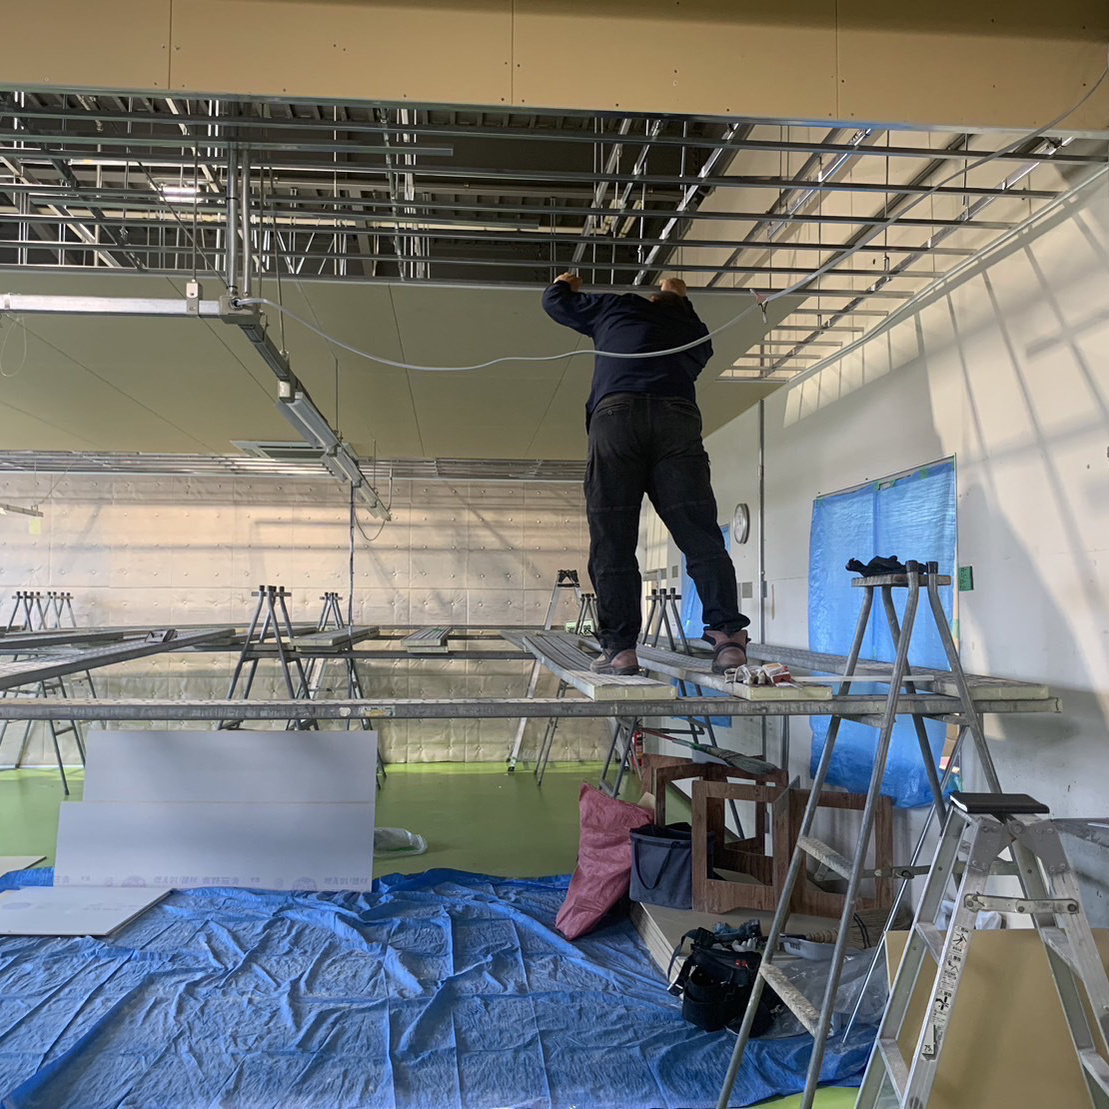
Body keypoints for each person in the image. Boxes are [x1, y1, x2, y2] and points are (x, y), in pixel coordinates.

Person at [541, 272, 750, 676]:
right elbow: (694, 340)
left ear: (650, 299)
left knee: (613, 540)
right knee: (700, 536)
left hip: (617, 418)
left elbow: (555, 303)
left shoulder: (618, 305)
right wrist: (678, 298)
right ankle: (728, 639)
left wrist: (567, 282)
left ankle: (620, 650)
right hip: (677, 421)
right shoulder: (691, 331)